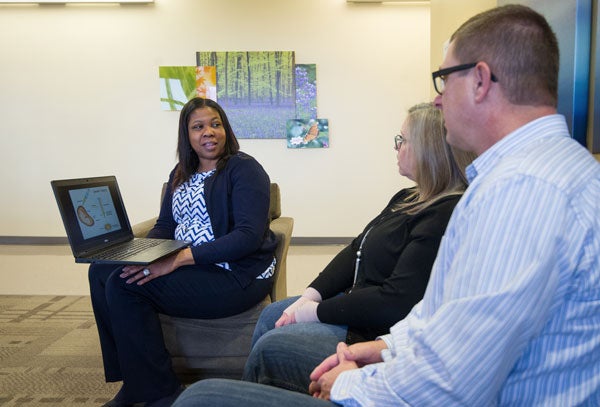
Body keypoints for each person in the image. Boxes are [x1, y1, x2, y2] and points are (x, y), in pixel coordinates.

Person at [173, 5, 600, 406]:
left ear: (480, 80)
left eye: (443, 79)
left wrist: (352, 381)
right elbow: (441, 319)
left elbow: (451, 381)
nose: (438, 100)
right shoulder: (543, 173)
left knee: (199, 398)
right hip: (401, 362)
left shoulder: (523, 192)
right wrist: (382, 348)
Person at [242, 102, 474, 393]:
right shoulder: (408, 196)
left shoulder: (443, 213)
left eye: (402, 140)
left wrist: (314, 312)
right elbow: (355, 250)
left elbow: (394, 302)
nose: (396, 147)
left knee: (270, 347)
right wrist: (310, 297)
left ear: (429, 150)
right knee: (271, 314)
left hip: (373, 330)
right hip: (358, 303)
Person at [88, 97, 278, 407]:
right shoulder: (181, 171)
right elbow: (165, 225)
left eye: (216, 125)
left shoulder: (244, 169)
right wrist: (144, 253)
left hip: (236, 274)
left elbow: (247, 237)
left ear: (226, 130)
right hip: (191, 265)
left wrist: (178, 260)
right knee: (101, 272)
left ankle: (161, 391)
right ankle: (134, 379)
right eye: (198, 126)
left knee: (124, 286)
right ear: (187, 135)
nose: (209, 132)